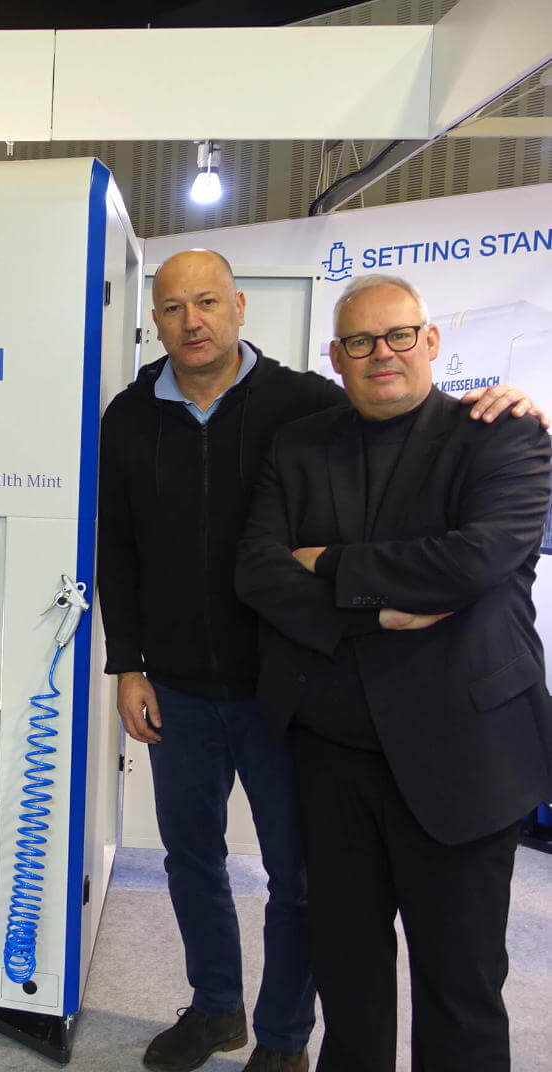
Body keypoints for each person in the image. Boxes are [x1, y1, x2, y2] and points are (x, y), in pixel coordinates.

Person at [95, 250, 542, 1072]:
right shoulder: (139, 418)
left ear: (239, 307)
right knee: (212, 874)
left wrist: (334, 568)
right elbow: (152, 554)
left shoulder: (313, 404)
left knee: (324, 899)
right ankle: (216, 1008)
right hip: (217, 697)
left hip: (321, 697)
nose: (193, 321)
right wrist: (128, 663)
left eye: (207, 302)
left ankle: (283, 1040)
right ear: (154, 321)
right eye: (173, 308)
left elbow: (459, 526)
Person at [235, 274, 552, 1071]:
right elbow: (258, 571)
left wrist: (330, 565)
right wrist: (376, 611)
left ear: (430, 340)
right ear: (335, 356)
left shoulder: (502, 433)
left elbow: (474, 561)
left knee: (460, 989)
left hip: (463, 755)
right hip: (332, 758)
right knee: (348, 982)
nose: (382, 354)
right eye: (360, 341)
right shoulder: (300, 445)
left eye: (398, 335)